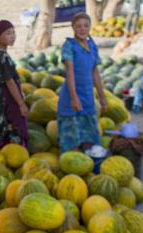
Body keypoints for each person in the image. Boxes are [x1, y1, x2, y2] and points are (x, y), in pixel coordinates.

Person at [57, 13, 107, 153]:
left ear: (90, 26)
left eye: (86, 25)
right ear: (72, 27)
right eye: (78, 26)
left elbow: (95, 73)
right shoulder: (69, 46)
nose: (82, 29)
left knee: (89, 142)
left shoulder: (92, 45)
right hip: (71, 97)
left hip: (87, 97)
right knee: (72, 145)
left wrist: (102, 97)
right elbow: (70, 73)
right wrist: (74, 98)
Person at [0, 20, 29, 149]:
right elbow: (9, 82)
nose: (13, 36)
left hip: (2, 94)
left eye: (13, 33)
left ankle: (7, 151)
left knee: (5, 125)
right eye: (8, 33)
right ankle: (15, 154)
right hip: (9, 97)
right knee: (15, 125)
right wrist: (21, 104)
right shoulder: (2, 57)